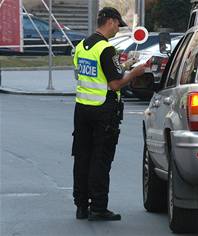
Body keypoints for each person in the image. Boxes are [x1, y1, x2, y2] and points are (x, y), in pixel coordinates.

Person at [72, 7, 145, 221]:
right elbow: (114, 84)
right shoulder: (106, 49)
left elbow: (92, 75)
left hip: (82, 109)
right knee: (100, 159)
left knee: (82, 158)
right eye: (117, 25)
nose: (117, 30)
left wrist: (123, 65)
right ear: (111, 21)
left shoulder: (82, 46)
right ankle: (99, 207)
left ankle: (81, 206)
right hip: (103, 110)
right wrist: (133, 73)